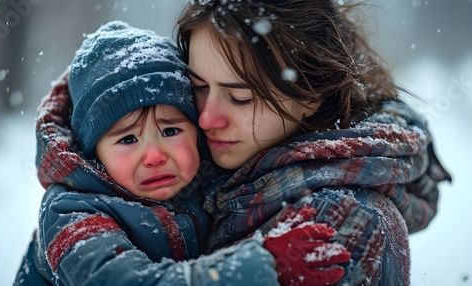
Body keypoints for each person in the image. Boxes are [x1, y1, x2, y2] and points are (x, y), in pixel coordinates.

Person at [15, 20, 350, 286]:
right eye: (128, 140)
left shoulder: (207, 179)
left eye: (171, 131)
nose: (155, 156)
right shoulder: (72, 214)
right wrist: (261, 265)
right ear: (95, 153)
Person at [175, 0, 451, 285]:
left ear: (309, 95)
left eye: (241, 98)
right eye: (199, 87)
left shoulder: (336, 221)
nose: (207, 119)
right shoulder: (190, 166)